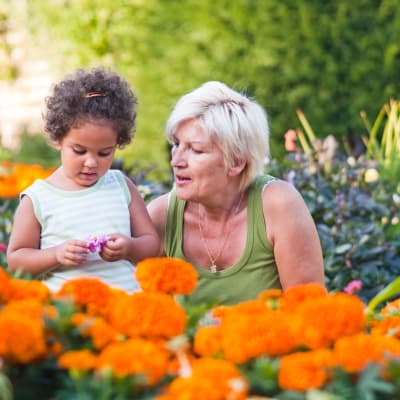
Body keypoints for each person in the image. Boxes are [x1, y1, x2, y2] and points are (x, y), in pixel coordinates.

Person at [148, 81, 325, 305]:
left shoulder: (278, 205)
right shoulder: (160, 216)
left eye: (196, 150)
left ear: (236, 162)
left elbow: (308, 310)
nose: (176, 160)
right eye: (176, 144)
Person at [7, 67, 160, 292]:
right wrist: (56, 254)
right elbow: (17, 259)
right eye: (79, 151)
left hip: (124, 306)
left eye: (104, 153)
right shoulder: (38, 198)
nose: (91, 163)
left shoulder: (120, 186)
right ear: (58, 139)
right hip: (68, 315)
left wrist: (129, 247)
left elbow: (151, 243)